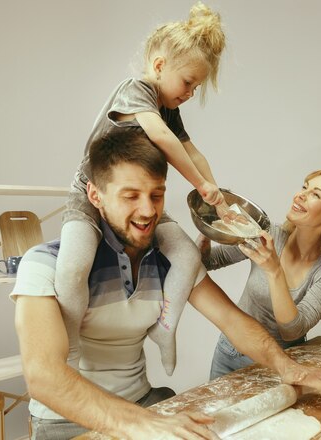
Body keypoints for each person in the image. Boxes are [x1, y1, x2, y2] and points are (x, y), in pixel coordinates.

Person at [13, 128, 321, 440]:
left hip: (144, 404)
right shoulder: (44, 265)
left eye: (157, 195)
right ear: (95, 195)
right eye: (130, 196)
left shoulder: (169, 261)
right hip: (67, 423)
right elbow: (44, 375)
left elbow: (233, 321)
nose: (148, 211)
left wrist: (289, 367)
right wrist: (140, 423)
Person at [55, 2, 239, 369]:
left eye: (196, 87)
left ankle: (165, 329)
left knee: (187, 256)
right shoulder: (136, 90)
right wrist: (201, 185)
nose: (189, 93)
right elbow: (163, 140)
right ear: (159, 66)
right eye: (187, 82)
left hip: (140, 203)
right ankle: (71, 345)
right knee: (73, 268)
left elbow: (193, 151)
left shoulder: (171, 109)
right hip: (92, 196)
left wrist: (219, 199)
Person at [198, 169, 321, 379]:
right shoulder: (269, 234)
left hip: (280, 364)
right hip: (229, 351)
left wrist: (274, 270)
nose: (300, 195)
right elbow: (209, 261)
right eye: (305, 186)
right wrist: (207, 231)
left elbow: (293, 331)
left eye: (316, 194)